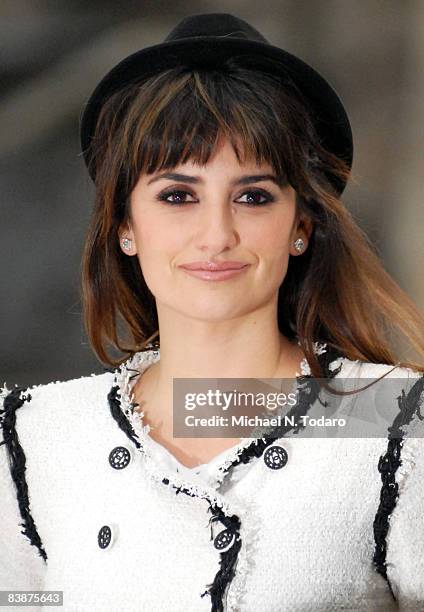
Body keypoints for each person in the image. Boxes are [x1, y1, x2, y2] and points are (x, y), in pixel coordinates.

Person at [1, 12, 423, 612]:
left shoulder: (397, 423)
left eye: (253, 196)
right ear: (124, 225)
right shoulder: (35, 438)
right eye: (178, 196)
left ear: (301, 225)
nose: (216, 234)